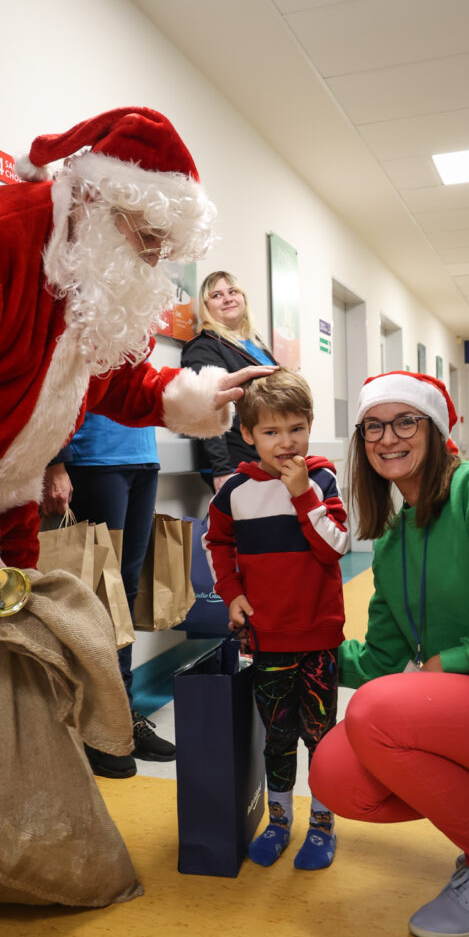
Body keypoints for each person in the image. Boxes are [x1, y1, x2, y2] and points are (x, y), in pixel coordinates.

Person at [0, 105, 274, 937]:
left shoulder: (88, 268)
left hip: (0, 495)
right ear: (91, 198)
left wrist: (179, 398)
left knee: (13, 659)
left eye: (164, 247)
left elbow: (107, 374)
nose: (151, 260)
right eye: (144, 238)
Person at [309, 370, 469, 937]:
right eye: (373, 427)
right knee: (335, 774)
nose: (388, 438)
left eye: (405, 421)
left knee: (377, 712)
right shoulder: (393, 540)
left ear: (434, 429)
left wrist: (451, 662)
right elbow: (382, 662)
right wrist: (298, 649)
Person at [203, 369, 348, 870]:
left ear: (309, 426)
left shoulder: (322, 479)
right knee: (278, 735)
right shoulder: (235, 491)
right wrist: (231, 594)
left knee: (321, 736)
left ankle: (323, 824)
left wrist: (304, 494)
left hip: (318, 636)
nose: (285, 442)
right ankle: (280, 821)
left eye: (296, 429)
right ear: (247, 434)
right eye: (271, 431)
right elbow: (216, 543)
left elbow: (334, 548)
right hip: (267, 639)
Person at [44, 413, 175, 778]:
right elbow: (57, 390)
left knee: (123, 595)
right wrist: (56, 462)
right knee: (97, 595)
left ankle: (121, 716)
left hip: (142, 457)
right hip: (93, 457)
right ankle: (97, 727)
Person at [181, 270, 276, 492]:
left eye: (233, 291)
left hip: (265, 454)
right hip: (235, 461)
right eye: (217, 295)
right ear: (206, 306)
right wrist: (222, 468)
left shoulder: (256, 344)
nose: (227, 299)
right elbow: (206, 404)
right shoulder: (203, 347)